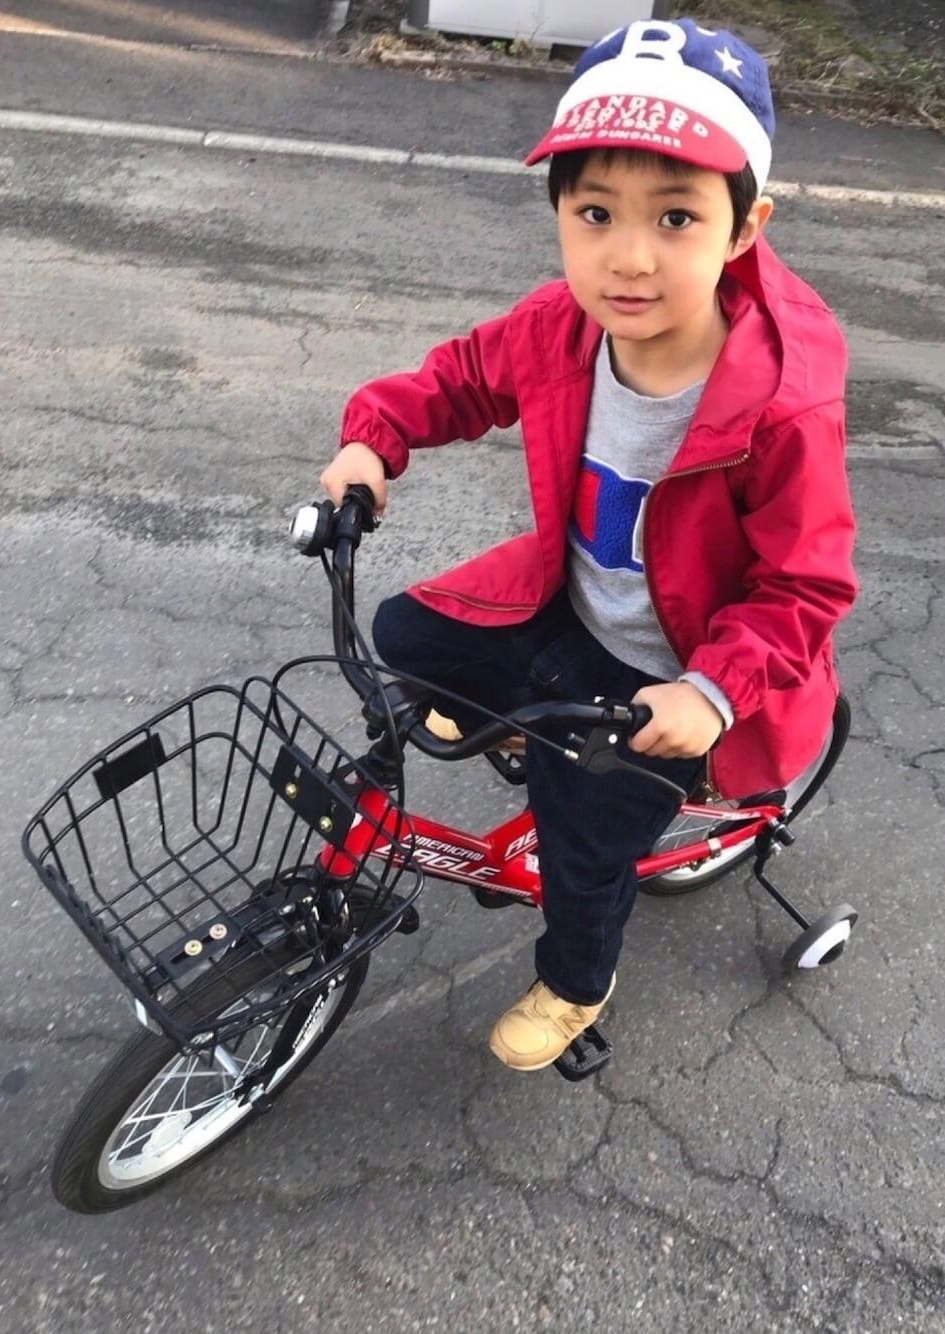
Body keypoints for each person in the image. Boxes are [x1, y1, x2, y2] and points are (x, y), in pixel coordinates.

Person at [320, 17, 858, 1072]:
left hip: (673, 667)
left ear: (743, 228)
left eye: (676, 216)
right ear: (560, 213)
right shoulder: (562, 326)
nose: (629, 256)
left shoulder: (779, 403)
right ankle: (526, 727)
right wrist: (372, 439)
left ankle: (575, 982)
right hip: (570, 598)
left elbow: (804, 583)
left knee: (582, 847)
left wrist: (710, 691)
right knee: (405, 633)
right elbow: (460, 377)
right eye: (595, 212)